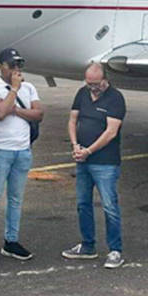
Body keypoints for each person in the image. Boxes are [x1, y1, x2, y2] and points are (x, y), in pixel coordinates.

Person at [0, 48, 44, 264]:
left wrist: (14, 109)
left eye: (19, 65)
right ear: (0, 66)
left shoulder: (30, 87)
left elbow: (38, 114)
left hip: (22, 150)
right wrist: (13, 90)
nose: (16, 69)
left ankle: (11, 241)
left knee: (16, 199)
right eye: (11, 65)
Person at [61, 63, 126, 269]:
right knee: (83, 204)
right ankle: (88, 245)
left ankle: (115, 250)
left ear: (105, 79)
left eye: (96, 85)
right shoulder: (82, 93)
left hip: (105, 162)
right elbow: (73, 121)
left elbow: (111, 132)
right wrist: (75, 145)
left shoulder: (115, 98)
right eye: (89, 84)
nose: (92, 88)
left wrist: (88, 150)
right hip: (83, 160)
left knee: (109, 206)